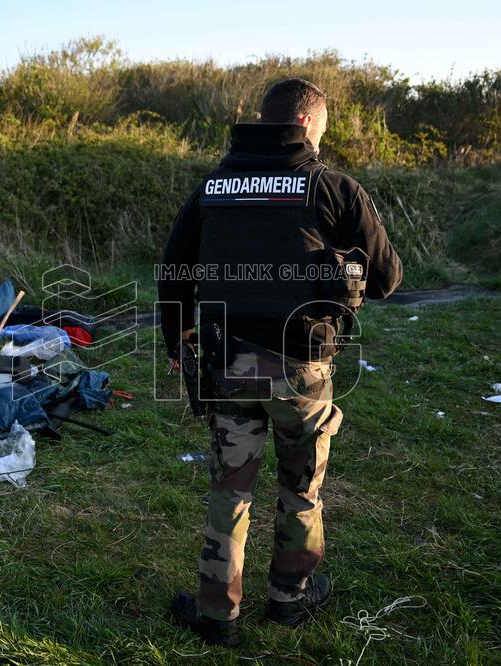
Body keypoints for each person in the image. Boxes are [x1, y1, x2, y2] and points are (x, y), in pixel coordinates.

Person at [158, 78, 403, 646]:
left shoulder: (214, 187)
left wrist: (177, 345)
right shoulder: (334, 187)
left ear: (261, 120)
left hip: (228, 364)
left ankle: (218, 616)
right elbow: (389, 278)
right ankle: (290, 601)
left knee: (229, 491)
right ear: (310, 125)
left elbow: (173, 273)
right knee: (301, 489)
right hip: (303, 371)